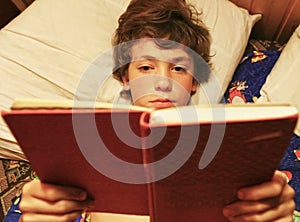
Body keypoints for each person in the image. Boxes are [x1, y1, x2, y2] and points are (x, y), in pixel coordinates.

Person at [4, 0, 295, 221]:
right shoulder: (86, 143)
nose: (162, 82)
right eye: (146, 67)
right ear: (126, 79)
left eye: (179, 68)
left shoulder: (227, 141)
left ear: (194, 83)